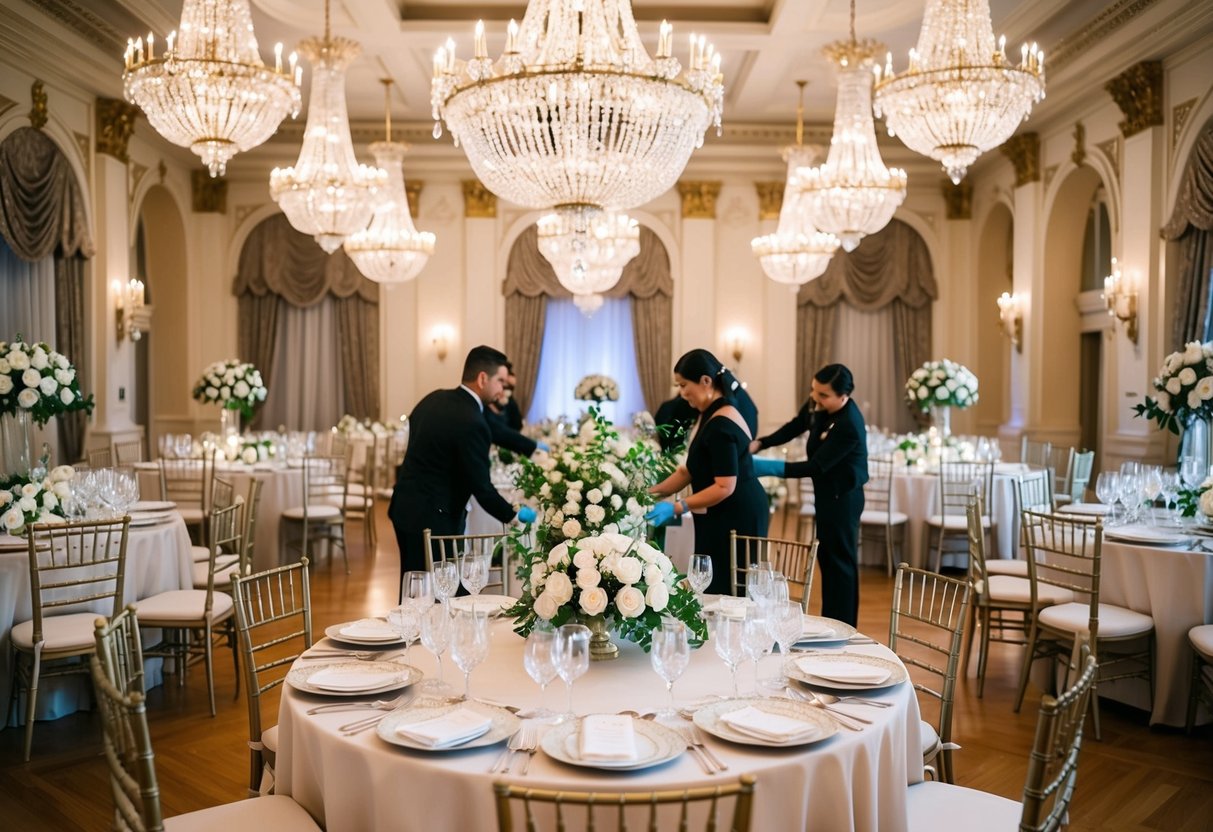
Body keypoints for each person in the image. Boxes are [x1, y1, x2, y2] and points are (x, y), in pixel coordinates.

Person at [389, 345, 536, 601]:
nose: (503, 389)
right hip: (435, 519)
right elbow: (482, 488)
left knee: (414, 590)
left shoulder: (433, 399)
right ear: (482, 378)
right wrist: (513, 514)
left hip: (404, 507)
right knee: (441, 596)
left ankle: (410, 636)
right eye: (500, 381)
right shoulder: (472, 420)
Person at [749, 364, 867, 626]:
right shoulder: (819, 403)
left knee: (841, 565)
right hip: (826, 496)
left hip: (843, 499)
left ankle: (845, 626)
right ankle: (831, 621)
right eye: (813, 391)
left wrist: (765, 467)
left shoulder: (849, 424)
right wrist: (763, 442)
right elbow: (796, 425)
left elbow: (815, 467)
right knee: (828, 559)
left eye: (823, 395)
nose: (815, 398)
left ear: (843, 396)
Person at [645, 349, 768, 595]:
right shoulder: (709, 412)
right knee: (714, 585)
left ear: (705, 381)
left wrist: (677, 507)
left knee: (729, 592)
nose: (681, 393)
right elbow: (688, 471)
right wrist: (649, 493)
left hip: (736, 514)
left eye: (683, 385)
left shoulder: (721, 422)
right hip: (722, 512)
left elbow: (725, 486)